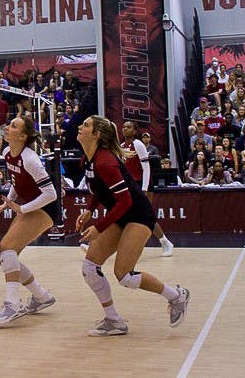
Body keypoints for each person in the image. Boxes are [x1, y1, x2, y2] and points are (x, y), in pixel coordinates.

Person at [76, 116, 189, 337]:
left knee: (124, 276)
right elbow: (97, 189)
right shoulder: (87, 160)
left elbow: (126, 201)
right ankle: (114, 320)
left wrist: (98, 227)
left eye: (87, 125)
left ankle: (177, 296)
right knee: (89, 267)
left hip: (138, 214)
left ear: (97, 135)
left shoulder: (105, 162)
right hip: (120, 215)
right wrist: (90, 209)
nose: (81, 127)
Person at [0, 115, 57, 325]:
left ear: (23, 136)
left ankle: (12, 304)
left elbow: (51, 193)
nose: (7, 127)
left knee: (7, 247)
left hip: (45, 207)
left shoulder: (31, 159)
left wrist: (22, 208)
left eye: (13, 126)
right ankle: (41, 296)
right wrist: (7, 203)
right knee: (6, 256)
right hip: (27, 205)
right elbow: (17, 183)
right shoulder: (8, 153)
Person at [121, 121, 173, 257]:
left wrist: (144, 188)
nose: (125, 129)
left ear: (134, 131)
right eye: (124, 127)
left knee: (147, 215)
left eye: (129, 127)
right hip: (131, 185)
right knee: (127, 216)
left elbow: (146, 167)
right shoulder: (121, 147)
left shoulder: (138, 144)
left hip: (143, 184)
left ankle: (165, 242)